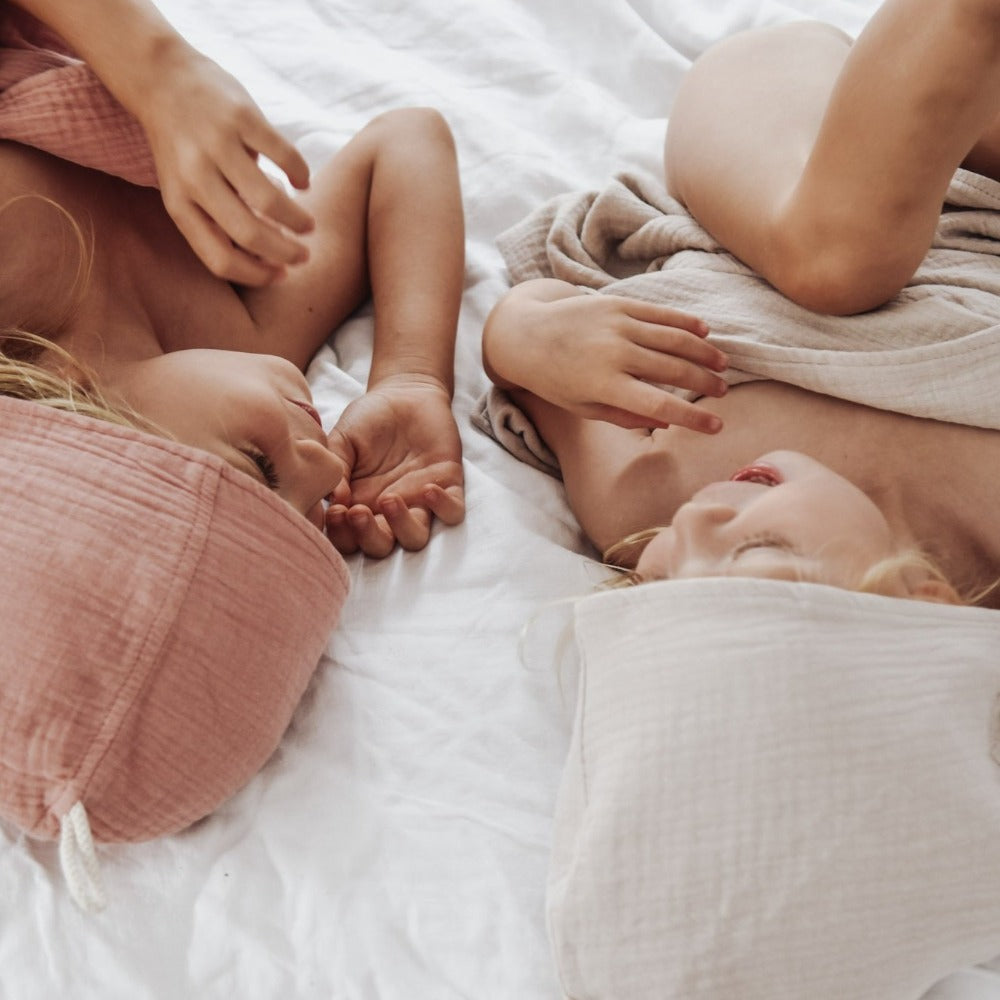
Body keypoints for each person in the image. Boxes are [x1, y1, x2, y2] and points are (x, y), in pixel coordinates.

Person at [481, 1, 1000, 608]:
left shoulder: (640, 497)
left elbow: (532, 346)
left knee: (840, 264)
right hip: (965, 164)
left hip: (783, 127)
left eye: (654, 580)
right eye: (759, 550)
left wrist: (526, 333)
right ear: (926, 601)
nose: (694, 523)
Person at [1, 0, 466, 557]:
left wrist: (159, 69)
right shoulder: (243, 338)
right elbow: (406, 139)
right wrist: (411, 377)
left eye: (263, 464)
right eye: (312, 508)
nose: (326, 469)